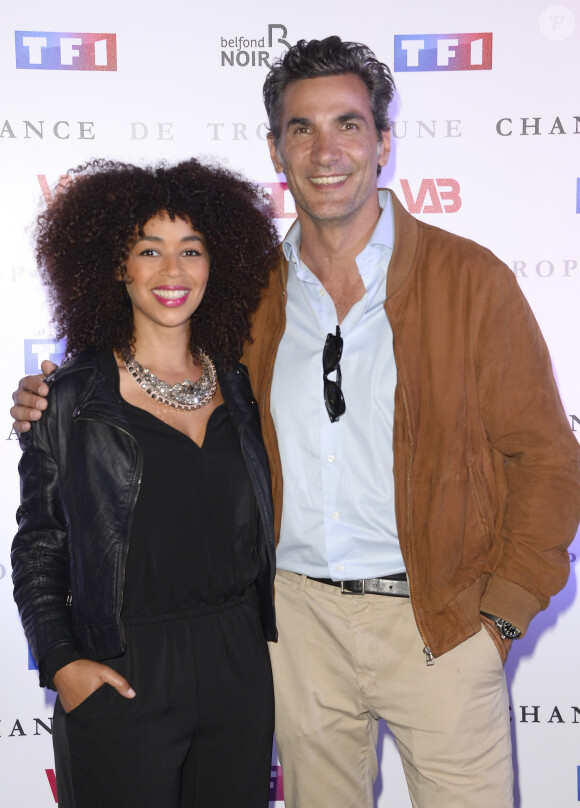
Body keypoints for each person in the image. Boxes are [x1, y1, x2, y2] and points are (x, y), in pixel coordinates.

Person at [12, 36, 580, 808]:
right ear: (275, 147)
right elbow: (146, 352)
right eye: (301, 128)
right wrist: (52, 393)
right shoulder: (248, 297)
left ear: (383, 138)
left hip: (439, 622)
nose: (325, 150)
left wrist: (501, 619)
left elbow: (547, 460)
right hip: (294, 629)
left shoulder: (469, 280)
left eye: (347, 124)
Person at [11, 158, 280, 808]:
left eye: (191, 250)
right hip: (124, 664)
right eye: (148, 250)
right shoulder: (69, 400)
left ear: (216, 263)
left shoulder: (241, 388)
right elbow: (40, 547)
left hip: (237, 663)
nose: (173, 272)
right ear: (115, 266)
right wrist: (62, 661)